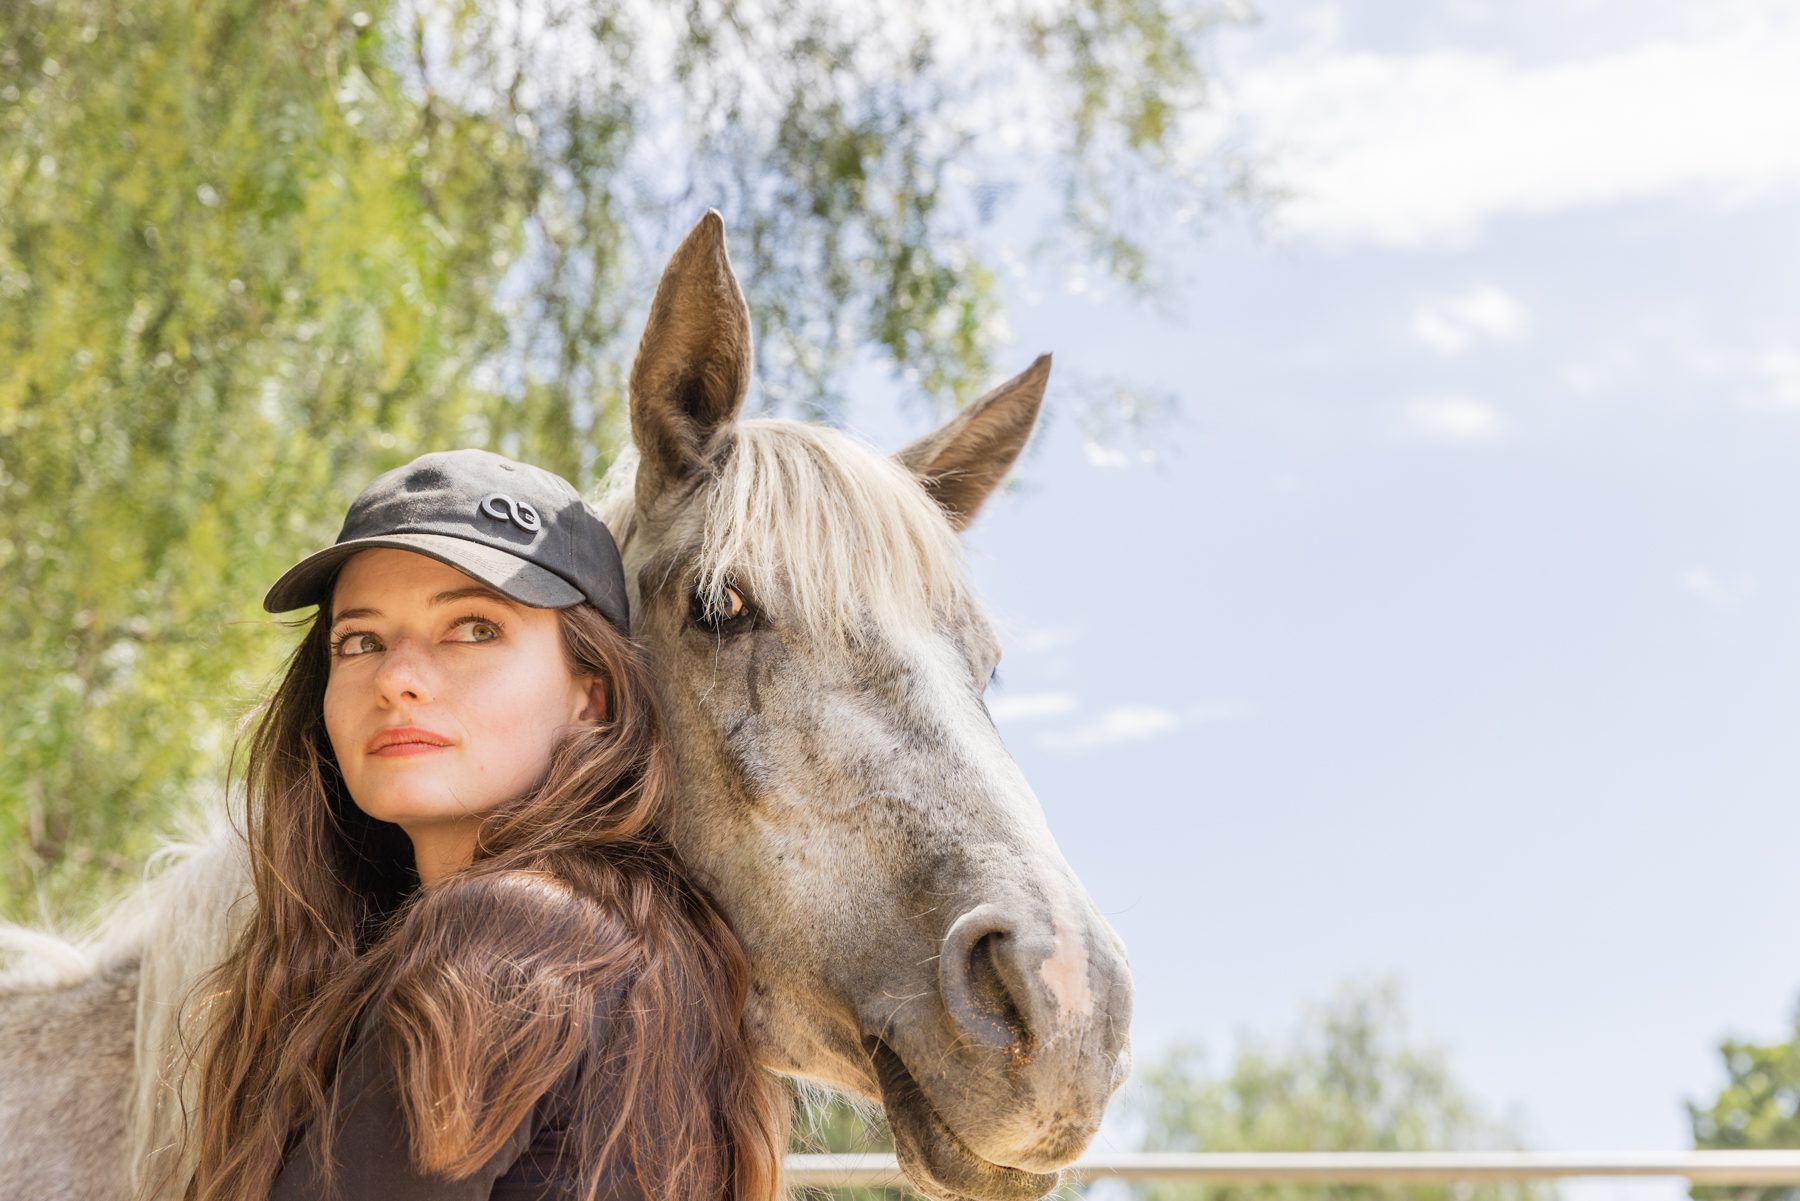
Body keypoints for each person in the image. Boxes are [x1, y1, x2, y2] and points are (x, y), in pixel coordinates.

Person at [179, 449, 787, 1201]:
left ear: (590, 695)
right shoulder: (641, 946)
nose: (396, 676)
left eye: (471, 628)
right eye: (360, 641)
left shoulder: (509, 936)